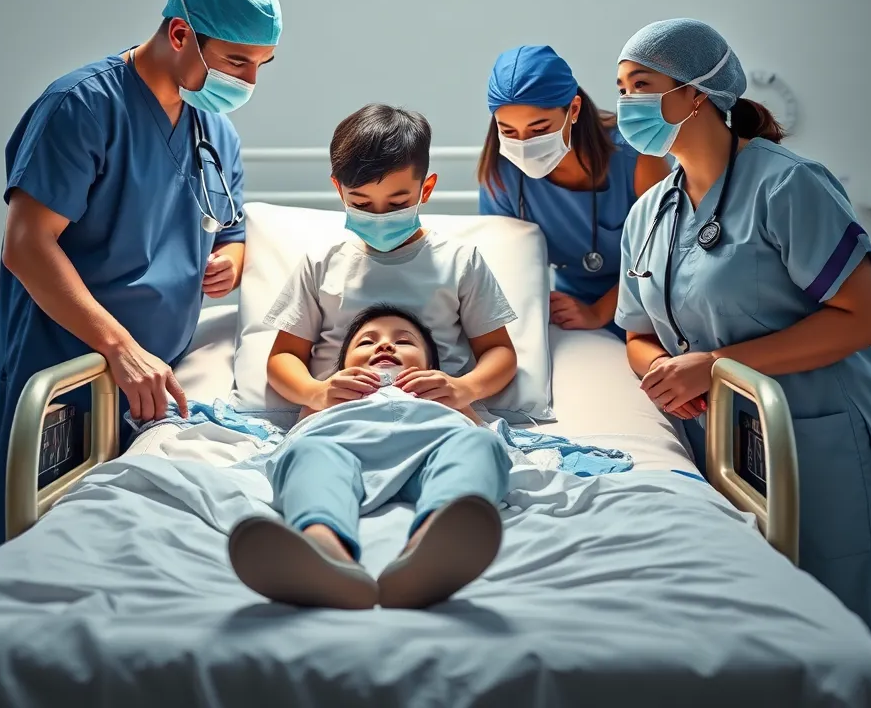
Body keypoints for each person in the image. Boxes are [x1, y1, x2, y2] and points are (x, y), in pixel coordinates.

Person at [614, 17, 871, 656]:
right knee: (764, 636)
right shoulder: (648, 213)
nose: (627, 105)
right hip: (719, 438)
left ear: (695, 93)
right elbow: (636, 332)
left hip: (818, 431)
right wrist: (662, 371)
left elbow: (865, 317)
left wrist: (714, 365)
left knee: (852, 626)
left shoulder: (787, 183)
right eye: (621, 88)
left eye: (642, 85)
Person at [0, 0, 282, 551]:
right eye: (237, 61)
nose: (250, 82)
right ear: (180, 34)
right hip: (70, 370)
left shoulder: (215, 131)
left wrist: (232, 260)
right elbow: (26, 245)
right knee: (44, 548)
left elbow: (231, 229)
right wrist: (119, 348)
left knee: (134, 546)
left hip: (157, 388)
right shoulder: (81, 107)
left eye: (261, 65)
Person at [229, 304, 511, 610]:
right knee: (309, 452)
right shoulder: (326, 394)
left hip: (431, 450)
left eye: (403, 341)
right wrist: (318, 392)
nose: (385, 345)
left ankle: (435, 542)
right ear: (342, 367)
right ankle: (323, 547)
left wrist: (458, 391)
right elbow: (297, 436)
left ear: (430, 366)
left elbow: (478, 433)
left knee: (478, 442)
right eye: (366, 342)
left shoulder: (444, 391)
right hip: (342, 448)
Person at [263, 103, 518, 418]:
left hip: (435, 418)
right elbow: (284, 357)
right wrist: (316, 392)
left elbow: (499, 351)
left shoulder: (460, 262)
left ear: (426, 189)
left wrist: (465, 388)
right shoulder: (321, 265)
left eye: (398, 203)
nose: (380, 216)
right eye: (361, 204)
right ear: (339, 190)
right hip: (341, 419)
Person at [478, 45, 668, 337]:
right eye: (509, 131)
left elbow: (664, 255)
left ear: (574, 110)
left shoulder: (637, 158)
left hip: (652, 302)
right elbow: (506, 265)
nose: (524, 145)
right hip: (569, 310)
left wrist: (598, 313)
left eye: (539, 129)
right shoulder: (502, 175)